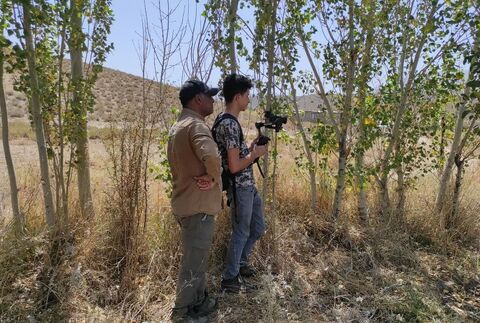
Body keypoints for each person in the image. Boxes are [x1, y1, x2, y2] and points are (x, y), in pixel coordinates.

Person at [168, 79, 222, 322]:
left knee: (197, 258)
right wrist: (213, 177)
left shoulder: (179, 125)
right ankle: (181, 313)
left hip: (186, 203)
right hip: (197, 205)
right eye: (209, 96)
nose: (212, 100)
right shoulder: (196, 126)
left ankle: (199, 303)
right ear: (197, 99)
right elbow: (210, 154)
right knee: (193, 263)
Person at [212, 74, 268, 293]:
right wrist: (254, 155)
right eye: (247, 95)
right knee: (242, 232)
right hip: (240, 187)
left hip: (248, 186)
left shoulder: (228, 122)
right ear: (237, 97)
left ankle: (241, 264)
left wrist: (252, 148)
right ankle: (229, 277)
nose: (249, 99)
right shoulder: (229, 124)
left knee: (257, 228)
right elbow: (234, 166)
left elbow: (234, 156)